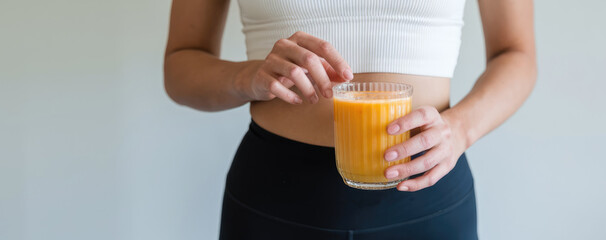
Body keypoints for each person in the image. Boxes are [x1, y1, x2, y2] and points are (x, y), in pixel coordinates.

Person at [164, 0, 536, 239]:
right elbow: (181, 65)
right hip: (276, 198)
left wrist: (461, 129)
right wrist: (248, 76)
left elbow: (516, 53)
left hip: (426, 193)